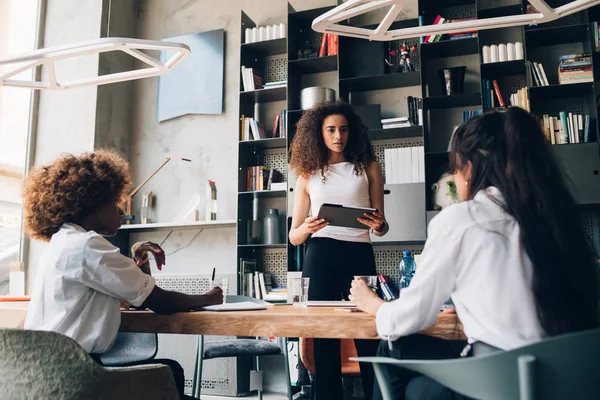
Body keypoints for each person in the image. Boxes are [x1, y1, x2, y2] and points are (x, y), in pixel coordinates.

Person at [349, 107, 599, 400]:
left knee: (393, 354)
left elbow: (410, 317)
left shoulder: (462, 219)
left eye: (454, 169)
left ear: (469, 167)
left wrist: (374, 304)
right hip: (573, 383)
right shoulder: (559, 217)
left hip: (503, 386)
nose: (454, 180)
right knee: (406, 350)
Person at [23, 150, 223, 400]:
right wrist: (208, 297)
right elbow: (158, 301)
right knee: (171, 374)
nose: (121, 210)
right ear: (90, 203)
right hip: (75, 377)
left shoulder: (62, 243)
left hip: (41, 374)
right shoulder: (88, 245)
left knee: (171, 373)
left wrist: (136, 263)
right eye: (114, 201)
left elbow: (125, 295)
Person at [289, 101, 389, 400]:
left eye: (343, 129)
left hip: (359, 253)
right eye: (330, 130)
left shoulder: (368, 166)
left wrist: (379, 224)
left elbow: (382, 227)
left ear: (352, 132)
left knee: (368, 332)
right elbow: (294, 236)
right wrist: (308, 227)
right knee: (324, 337)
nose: (338, 136)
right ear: (318, 134)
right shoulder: (307, 174)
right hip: (320, 254)